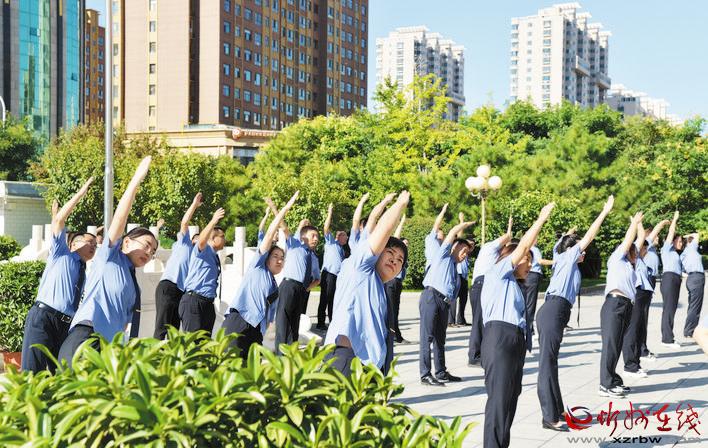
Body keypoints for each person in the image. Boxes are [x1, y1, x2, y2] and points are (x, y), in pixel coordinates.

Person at [58, 157, 156, 367]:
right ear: (126, 242)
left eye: (153, 251)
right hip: (87, 339)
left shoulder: (132, 282)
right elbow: (120, 218)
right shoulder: (109, 256)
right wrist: (136, 180)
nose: (149, 253)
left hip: (109, 349)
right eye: (147, 245)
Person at [535, 196, 613, 430]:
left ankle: (557, 411)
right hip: (554, 310)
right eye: (580, 248)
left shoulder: (560, 256)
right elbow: (588, 237)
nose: (584, 252)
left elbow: (563, 242)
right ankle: (549, 417)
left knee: (551, 363)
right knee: (546, 364)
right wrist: (604, 212)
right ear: (571, 249)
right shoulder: (568, 258)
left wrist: (568, 234)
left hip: (554, 311)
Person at [481, 202, 555, 448]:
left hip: (514, 340)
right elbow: (523, 245)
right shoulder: (497, 273)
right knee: (499, 402)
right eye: (527, 259)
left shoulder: (513, 285)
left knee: (510, 401)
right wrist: (541, 219)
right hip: (499, 338)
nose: (530, 264)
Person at [324, 191, 410, 376]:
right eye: (390, 253)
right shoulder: (361, 267)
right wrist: (398, 204)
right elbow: (380, 227)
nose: (394, 260)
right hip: (347, 361)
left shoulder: (379, 288)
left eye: (400, 260)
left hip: (370, 368)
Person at [21, 178, 96, 373]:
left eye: (96, 245)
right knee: (32, 372)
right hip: (43, 318)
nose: (93, 246)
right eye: (88, 242)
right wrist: (81, 193)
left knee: (64, 374)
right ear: (72, 243)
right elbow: (59, 222)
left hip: (65, 326)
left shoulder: (85, 271)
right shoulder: (61, 253)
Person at [223, 191, 299, 358]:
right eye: (275, 256)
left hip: (256, 331)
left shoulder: (274, 285)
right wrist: (285, 209)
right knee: (229, 367)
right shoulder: (258, 266)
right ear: (266, 257)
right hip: (239, 322)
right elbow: (270, 233)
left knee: (252, 371)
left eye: (282, 258)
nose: (279, 260)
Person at [419, 218, 474, 386]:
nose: (465, 255)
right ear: (454, 247)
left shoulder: (454, 268)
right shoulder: (443, 255)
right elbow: (451, 234)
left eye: (467, 253)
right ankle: (425, 374)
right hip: (431, 297)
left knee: (440, 339)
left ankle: (441, 372)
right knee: (427, 337)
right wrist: (463, 225)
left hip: (443, 303)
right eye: (464, 250)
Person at [598, 211, 643, 398]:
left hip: (626, 305)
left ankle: (613, 380)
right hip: (614, 304)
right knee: (611, 345)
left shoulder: (629, 265)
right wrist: (634, 224)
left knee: (617, 345)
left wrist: (639, 225)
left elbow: (639, 240)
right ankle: (605, 385)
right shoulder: (617, 258)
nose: (637, 255)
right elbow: (629, 241)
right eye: (634, 252)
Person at [153, 193, 203, 340]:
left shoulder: (199, 257)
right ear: (192, 239)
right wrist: (194, 205)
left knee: (174, 333)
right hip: (168, 286)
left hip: (182, 293)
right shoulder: (184, 243)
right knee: (161, 329)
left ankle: (171, 355)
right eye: (198, 238)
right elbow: (184, 222)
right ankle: (154, 354)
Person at [467, 215, 513, 367]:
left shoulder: (491, 252)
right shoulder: (490, 247)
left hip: (481, 285)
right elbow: (507, 237)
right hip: (481, 285)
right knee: (478, 321)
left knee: (481, 320)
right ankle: (474, 356)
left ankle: (480, 353)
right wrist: (509, 226)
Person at [273, 207, 320, 354]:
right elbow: (283, 226)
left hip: (301, 290)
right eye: (313, 235)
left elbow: (317, 279)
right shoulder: (294, 244)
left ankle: (291, 354)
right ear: (303, 237)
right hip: (289, 285)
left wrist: (305, 289)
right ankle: (280, 356)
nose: (316, 239)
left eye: (317, 236)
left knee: (295, 324)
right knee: (283, 322)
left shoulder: (313, 257)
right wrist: (274, 208)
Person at [178, 207, 226, 336]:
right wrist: (213, 221)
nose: (225, 239)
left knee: (204, 343)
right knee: (192, 342)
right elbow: (202, 240)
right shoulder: (204, 250)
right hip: (194, 301)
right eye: (222, 236)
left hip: (207, 303)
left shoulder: (214, 255)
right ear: (213, 239)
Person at [622, 221, 653, 379]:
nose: (646, 250)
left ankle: (636, 363)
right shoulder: (632, 256)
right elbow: (640, 237)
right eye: (643, 248)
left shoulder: (640, 259)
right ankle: (630, 366)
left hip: (643, 295)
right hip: (637, 294)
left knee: (639, 330)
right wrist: (637, 223)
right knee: (632, 330)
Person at [639, 220, 670, 361]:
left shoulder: (650, 248)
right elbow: (654, 232)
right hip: (646, 280)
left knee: (644, 316)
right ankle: (642, 350)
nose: (657, 238)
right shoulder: (647, 244)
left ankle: (642, 348)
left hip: (650, 280)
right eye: (656, 235)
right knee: (642, 317)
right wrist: (663, 223)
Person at [316, 205, 348, 330]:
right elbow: (326, 228)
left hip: (336, 277)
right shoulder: (331, 243)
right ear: (338, 236)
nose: (347, 238)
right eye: (344, 236)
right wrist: (330, 212)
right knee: (325, 298)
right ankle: (320, 323)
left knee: (333, 300)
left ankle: (332, 322)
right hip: (328, 274)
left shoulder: (342, 249)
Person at [660, 211, 683, 349]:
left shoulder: (675, 253)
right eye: (679, 241)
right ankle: (667, 339)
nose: (681, 243)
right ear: (672, 241)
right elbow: (671, 232)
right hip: (669, 279)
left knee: (671, 309)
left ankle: (668, 337)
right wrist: (674, 220)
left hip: (675, 279)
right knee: (668, 309)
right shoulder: (666, 249)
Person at [384, 215, 409, 343]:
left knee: (396, 310)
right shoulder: (395, 252)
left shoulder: (403, 258)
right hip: (391, 282)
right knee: (391, 310)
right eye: (405, 243)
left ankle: (396, 335)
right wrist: (401, 221)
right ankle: (394, 335)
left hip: (397, 283)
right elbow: (396, 237)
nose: (406, 245)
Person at [524, 237, 553, 335]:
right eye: (536, 238)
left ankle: (527, 327)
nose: (537, 240)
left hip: (525, 276)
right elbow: (540, 261)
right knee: (530, 304)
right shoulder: (534, 249)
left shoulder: (524, 248)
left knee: (525, 303)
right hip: (533, 276)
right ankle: (529, 329)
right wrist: (555, 262)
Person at [451, 212, 474, 327]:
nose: (472, 246)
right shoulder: (458, 250)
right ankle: (451, 320)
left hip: (464, 277)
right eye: (470, 244)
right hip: (457, 275)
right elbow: (460, 237)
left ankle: (461, 319)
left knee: (464, 299)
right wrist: (461, 221)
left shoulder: (467, 255)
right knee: (454, 298)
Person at [681, 232, 704, 340]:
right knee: (695, 305)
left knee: (693, 305)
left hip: (691, 278)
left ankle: (690, 329)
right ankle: (690, 330)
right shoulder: (691, 248)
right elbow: (697, 235)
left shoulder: (683, 254)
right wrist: (686, 236)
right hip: (697, 277)